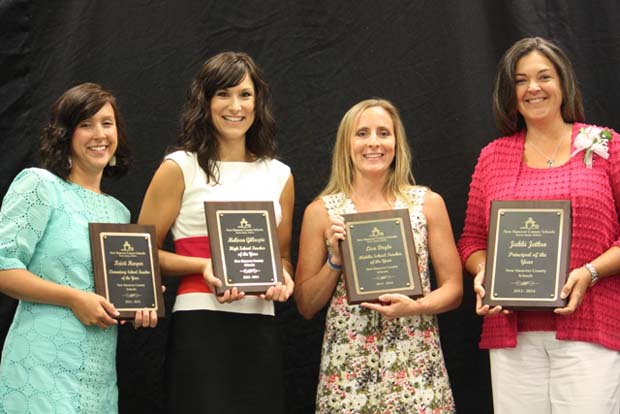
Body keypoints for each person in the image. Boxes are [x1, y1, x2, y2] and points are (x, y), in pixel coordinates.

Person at [458, 36, 620, 414]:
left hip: (589, 330)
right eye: (520, 80)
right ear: (509, 92)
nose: (533, 88)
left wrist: (591, 273)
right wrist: (485, 274)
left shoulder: (606, 146)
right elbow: (471, 241)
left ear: (563, 83)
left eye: (544, 76)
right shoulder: (492, 156)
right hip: (511, 335)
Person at [138, 52, 294, 414]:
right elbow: (138, 252)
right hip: (199, 323)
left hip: (260, 326)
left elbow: (284, 259)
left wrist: (283, 279)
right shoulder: (179, 167)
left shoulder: (280, 175)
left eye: (245, 94)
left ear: (258, 102)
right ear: (205, 101)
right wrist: (202, 266)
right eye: (223, 94)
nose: (235, 106)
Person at [295, 98, 462, 413]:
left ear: (397, 143)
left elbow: (454, 289)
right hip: (348, 369)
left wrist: (416, 306)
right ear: (347, 145)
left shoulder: (427, 204)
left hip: (416, 361)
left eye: (384, 133)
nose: (374, 142)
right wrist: (335, 262)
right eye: (362, 133)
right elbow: (305, 305)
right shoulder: (322, 212)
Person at [0, 83, 158, 414]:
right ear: (65, 134)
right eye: (85, 124)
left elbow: (109, 294)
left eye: (106, 122)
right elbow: (3, 268)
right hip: (41, 366)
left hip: (98, 374)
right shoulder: (40, 185)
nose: (99, 134)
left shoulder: (119, 213)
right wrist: (74, 298)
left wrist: (141, 299)